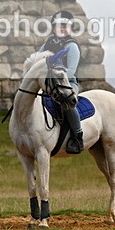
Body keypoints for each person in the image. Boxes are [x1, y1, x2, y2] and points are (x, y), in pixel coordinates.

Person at [39, 10, 83, 154]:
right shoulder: (46, 46)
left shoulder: (72, 46)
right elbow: (37, 63)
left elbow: (70, 71)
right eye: (59, 26)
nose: (62, 28)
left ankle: (77, 136)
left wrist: (54, 82)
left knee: (67, 103)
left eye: (65, 26)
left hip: (68, 84)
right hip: (48, 85)